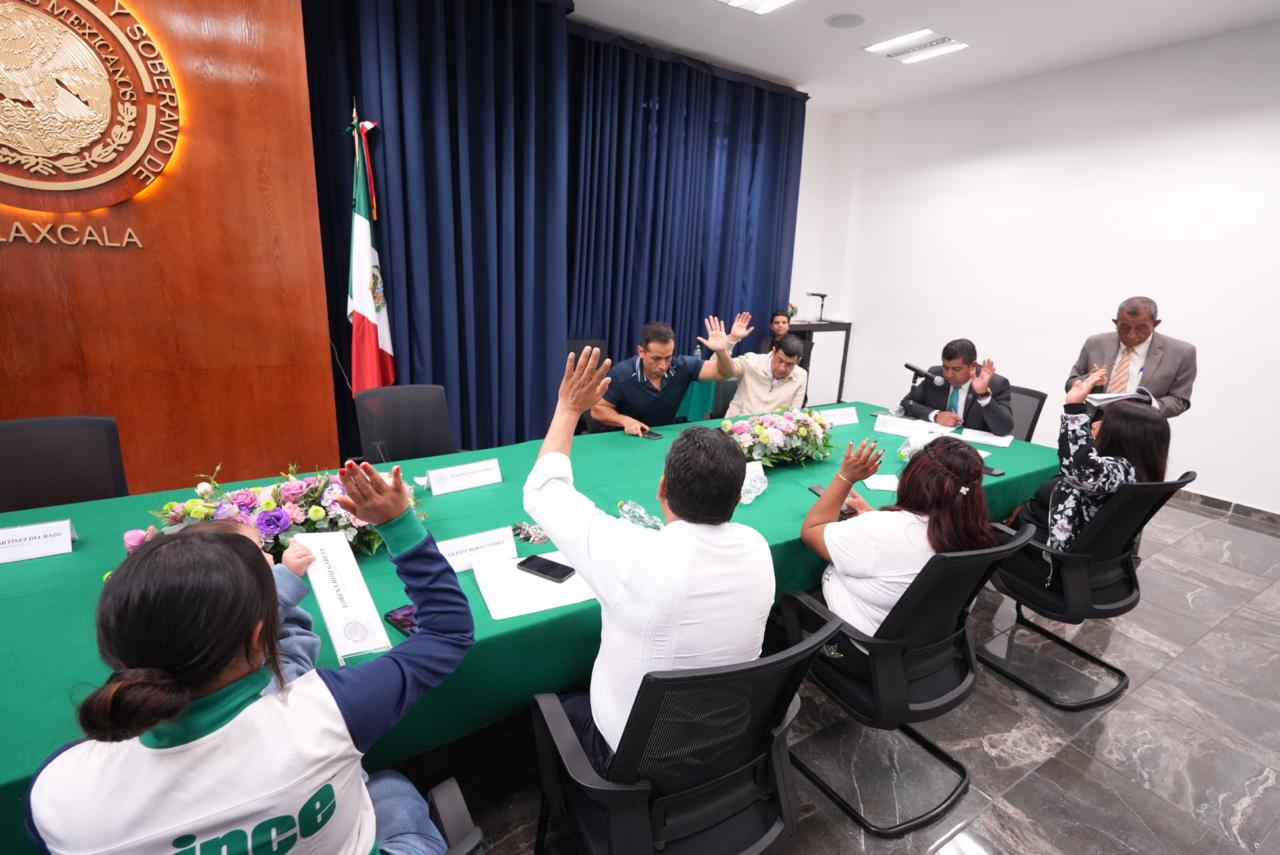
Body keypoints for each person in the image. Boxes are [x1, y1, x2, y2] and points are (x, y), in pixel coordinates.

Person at [28, 461, 475, 855]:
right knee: (392, 788)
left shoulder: (58, 792)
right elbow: (447, 632)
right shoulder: (329, 713)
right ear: (263, 636)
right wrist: (398, 523)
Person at [525, 348, 775, 772]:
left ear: (662, 488)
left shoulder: (635, 555)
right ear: (737, 500)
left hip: (629, 763)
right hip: (729, 744)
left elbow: (544, 491)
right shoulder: (757, 548)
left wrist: (568, 408)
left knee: (553, 710)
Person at [802, 436, 997, 636]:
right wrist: (877, 518)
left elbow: (812, 529)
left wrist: (845, 477)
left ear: (912, 479)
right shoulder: (974, 531)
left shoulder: (879, 531)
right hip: (924, 636)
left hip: (855, 637)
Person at [1008, 365, 1171, 556]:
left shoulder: (1120, 472)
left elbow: (1079, 469)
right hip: (1051, 541)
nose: (1094, 424)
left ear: (1125, 435)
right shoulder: (1134, 470)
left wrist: (1074, 409)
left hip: (1039, 553)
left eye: (1106, 422)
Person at [592, 314, 753, 435]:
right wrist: (624, 420)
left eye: (668, 357)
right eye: (656, 359)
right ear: (641, 351)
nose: (663, 365)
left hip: (662, 436)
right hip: (624, 439)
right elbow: (598, 409)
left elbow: (724, 373)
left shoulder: (682, 366)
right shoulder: (621, 374)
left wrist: (721, 351)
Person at [1066, 296, 1197, 418]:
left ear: (1155, 324)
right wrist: (1089, 380)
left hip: (1144, 426)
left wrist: (1149, 406)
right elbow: (1071, 384)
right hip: (1093, 423)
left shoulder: (1181, 352)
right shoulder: (1095, 343)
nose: (1131, 335)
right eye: (1124, 327)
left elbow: (1180, 400)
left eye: (1141, 328)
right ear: (1116, 322)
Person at [900, 338, 1014, 436]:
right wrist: (936, 416)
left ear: (973, 366)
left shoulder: (996, 384)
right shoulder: (936, 375)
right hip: (939, 441)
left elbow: (1003, 430)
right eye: (945, 367)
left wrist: (983, 394)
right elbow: (906, 403)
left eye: (956, 369)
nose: (949, 375)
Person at [715, 333, 809, 417]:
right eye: (780, 361)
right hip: (737, 423)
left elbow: (794, 414)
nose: (782, 368)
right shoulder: (751, 361)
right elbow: (717, 368)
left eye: (789, 364)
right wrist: (728, 343)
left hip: (773, 429)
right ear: (774, 351)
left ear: (798, 361)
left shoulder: (801, 375)